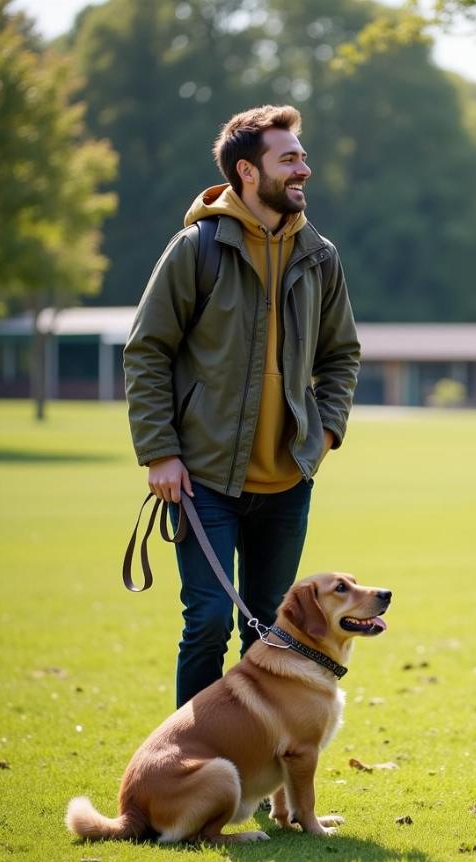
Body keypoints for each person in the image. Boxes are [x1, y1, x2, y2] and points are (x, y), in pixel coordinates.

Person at [124, 105, 360, 709]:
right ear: (248, 173)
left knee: (275, 631)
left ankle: (262, 775)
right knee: (207, 621)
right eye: (290, 159)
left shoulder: (320, 255)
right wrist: (160, 453)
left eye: (302, 157)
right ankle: (188, 764)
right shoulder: (195, 249)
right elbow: (147, 352)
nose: (304, 169)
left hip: (288, 480)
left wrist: (326, 431)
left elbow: (342, 355)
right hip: (202, 478)